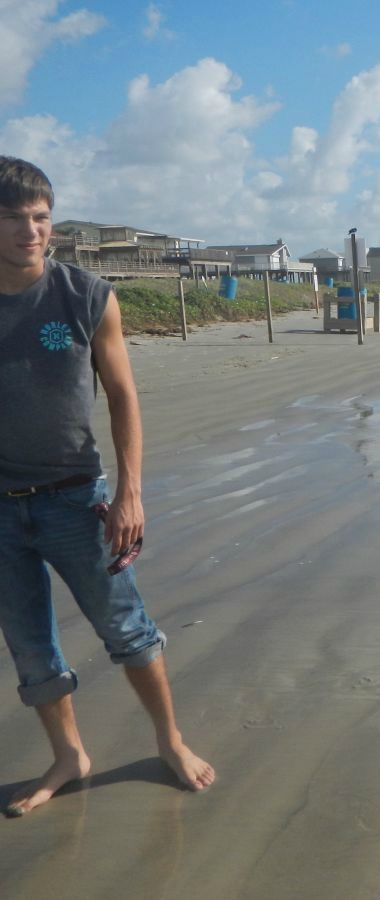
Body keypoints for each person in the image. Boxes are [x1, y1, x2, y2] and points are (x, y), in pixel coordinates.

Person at [0, 157, 215, 817]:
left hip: (76, 497)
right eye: (12, 217)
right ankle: (68, 756)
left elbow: (122, 396)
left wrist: (130, 493)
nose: (29, 230)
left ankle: (169, 739)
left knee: (127, 629)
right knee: (31, 648)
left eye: (39, 217)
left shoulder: (86, 295)